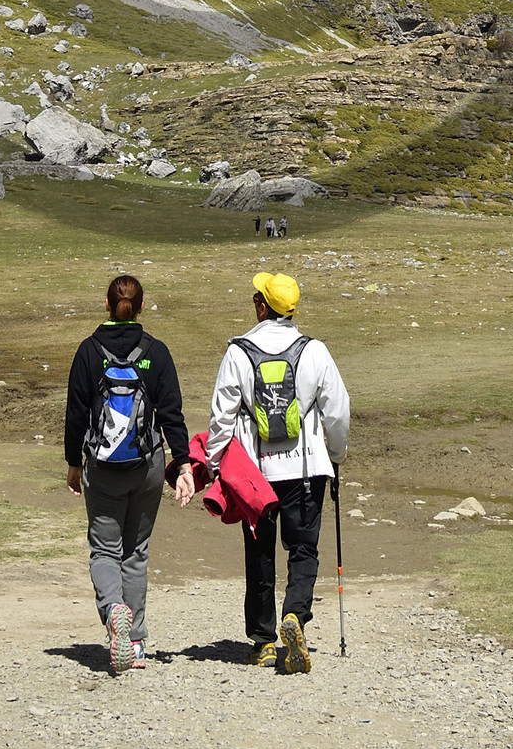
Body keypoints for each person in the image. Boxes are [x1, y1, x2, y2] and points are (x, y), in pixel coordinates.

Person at [203, 269, 349, 673]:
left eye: (256, 296)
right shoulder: (315, 351)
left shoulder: (238, 351)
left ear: (263, 306)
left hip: (254, 471)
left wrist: (215, 465)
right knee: (303, 549)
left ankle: (264, 640)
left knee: (259, 550)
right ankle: (295, 616)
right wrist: (335, 454)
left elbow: (222, 415)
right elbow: (337, 410)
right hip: (307, 467)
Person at [65, 273, 193, 674]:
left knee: (105, 549)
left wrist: (73, 463)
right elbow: (172, 413)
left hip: (102, 467)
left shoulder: (88, 351)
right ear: (141, 306)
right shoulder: (157, 351)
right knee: (135, 552)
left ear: (106, 305)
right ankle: (135, 642)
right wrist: (184, 463)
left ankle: (112, 609)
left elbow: (75, 414)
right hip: (148, 465)